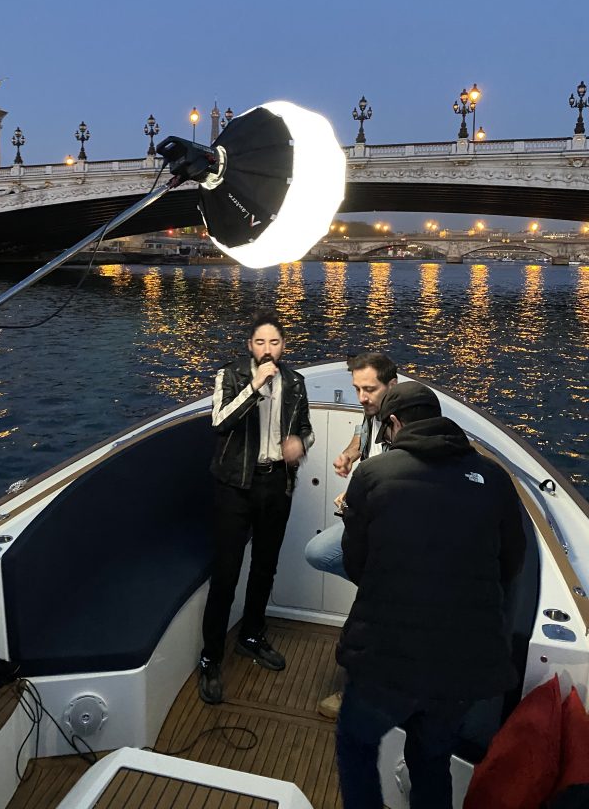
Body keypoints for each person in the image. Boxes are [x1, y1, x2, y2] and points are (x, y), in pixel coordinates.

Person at [335, 382, 526, 809]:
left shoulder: (372, 474)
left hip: (385, 659)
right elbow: (511, 565)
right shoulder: (494, 478)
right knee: (432, 759)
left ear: (395, 424)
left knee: (356, 744)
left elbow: (355, 565)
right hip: (464, 665)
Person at [198, 311, 314, 705]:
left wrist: (301, 443)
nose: (268, 349)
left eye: (275, 343)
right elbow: (219, 423)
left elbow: (306, 428)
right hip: (234, 485)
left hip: (275, 483)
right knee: (226, 573)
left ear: (284, 347)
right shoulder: (229, 376)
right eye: (261, 342)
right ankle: (211, 656)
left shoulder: (296, 383)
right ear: (250, 346)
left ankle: (251, 634)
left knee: (266, 565)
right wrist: (254, 386)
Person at [304, 352, 397, 718]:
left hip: (388, 528)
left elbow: (406, 478)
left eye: (369, 389)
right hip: (363, 521)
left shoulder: (402, 420)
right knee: (318, 552)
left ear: (392, 385)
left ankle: (357, 695)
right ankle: (384, 596)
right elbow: (363, 433)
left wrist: (359, 494)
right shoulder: (371, 409)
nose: (361, 396)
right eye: (357, 388)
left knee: (367, 615)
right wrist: (348, 453)